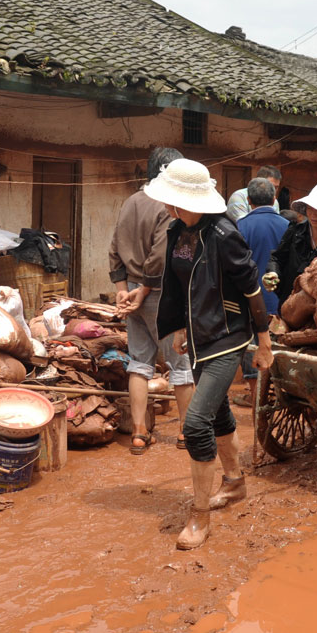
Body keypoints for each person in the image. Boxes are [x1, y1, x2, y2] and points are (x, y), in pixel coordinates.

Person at [151, 158, 274, 550]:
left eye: (174, 202)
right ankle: (235, 482)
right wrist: (182, 325)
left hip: (228, 337)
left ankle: (199, 517)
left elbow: (251, 286)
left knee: (196, 422)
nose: (169, 208)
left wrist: (264, 338)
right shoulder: (177, 231)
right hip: (200, 336)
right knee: (218, 411)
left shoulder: (223, 234)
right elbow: (181, 284)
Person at [108, 147, 194, 455]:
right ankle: (186, 431)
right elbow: (159, 257)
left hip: (131, 290)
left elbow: (114, 248)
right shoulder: (168, 207)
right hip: (158, 291)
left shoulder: (130, 202)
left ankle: (139, 433)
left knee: (139, 363)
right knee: (181, 363)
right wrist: (142, 291)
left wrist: (122, 289)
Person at [235, 177, 289, 407]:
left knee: (252, 346)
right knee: (281, 346)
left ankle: (256, 395)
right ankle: (281, 391)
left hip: (250, 300)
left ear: (248, 200)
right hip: (282, 301)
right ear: (274, 199)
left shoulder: (240, 226)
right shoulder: (288, 226)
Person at [264, 180, 317, 306]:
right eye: (310, 208)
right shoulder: (296, 231)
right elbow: (277, 257)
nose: (313, 214)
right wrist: (273, 273)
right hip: (290, 302)